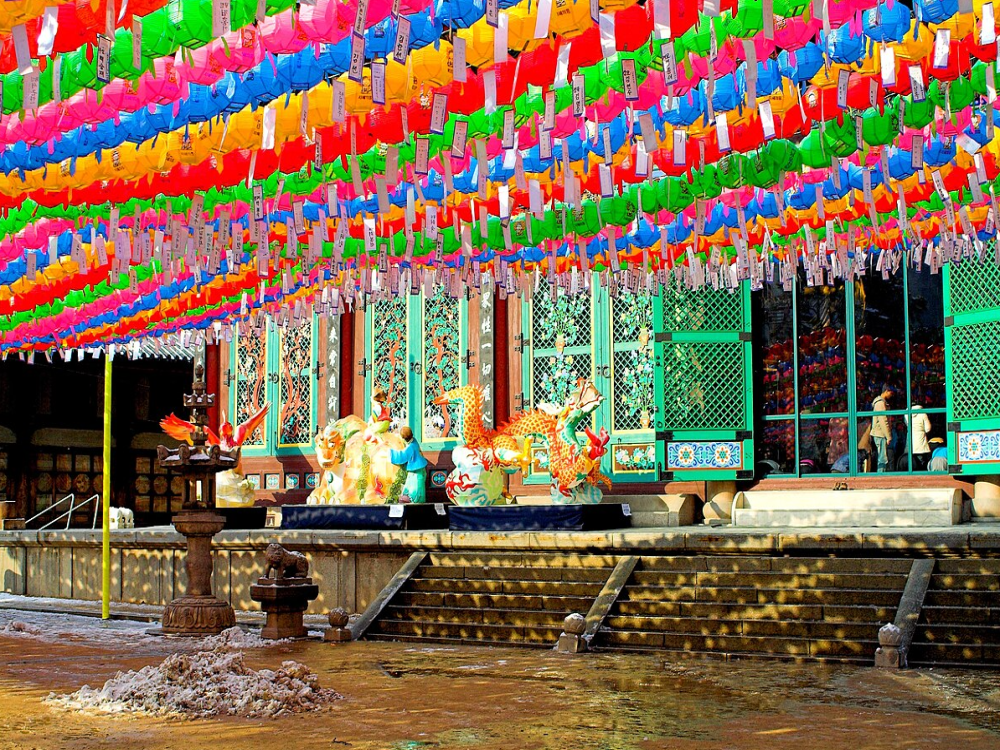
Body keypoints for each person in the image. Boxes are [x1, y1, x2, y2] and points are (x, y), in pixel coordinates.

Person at [389, 426, 428, 504]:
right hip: (419, 468)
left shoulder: (411, 447)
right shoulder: (414, 441)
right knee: (414, 483)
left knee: (415, 485)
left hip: (415, 469)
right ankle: (413, 497)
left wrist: (391, 453)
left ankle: (413, 499)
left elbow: (403, 456)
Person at [871, 386, 893, 472]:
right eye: (891, 392)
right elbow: (883, 420)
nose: (891, 395)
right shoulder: (880, 403)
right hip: (880, 434)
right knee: (882, 458)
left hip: (880, 433)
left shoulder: (881, 402)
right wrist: (888, 436)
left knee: (882, 457)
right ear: (887, 391)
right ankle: (881, 476)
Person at [909, 404, 932, 470]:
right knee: (922, 463)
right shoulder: (922, 414)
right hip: (921, 441)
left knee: (913, 462)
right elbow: (928, 428)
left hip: (911, 441)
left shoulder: (907, 414)